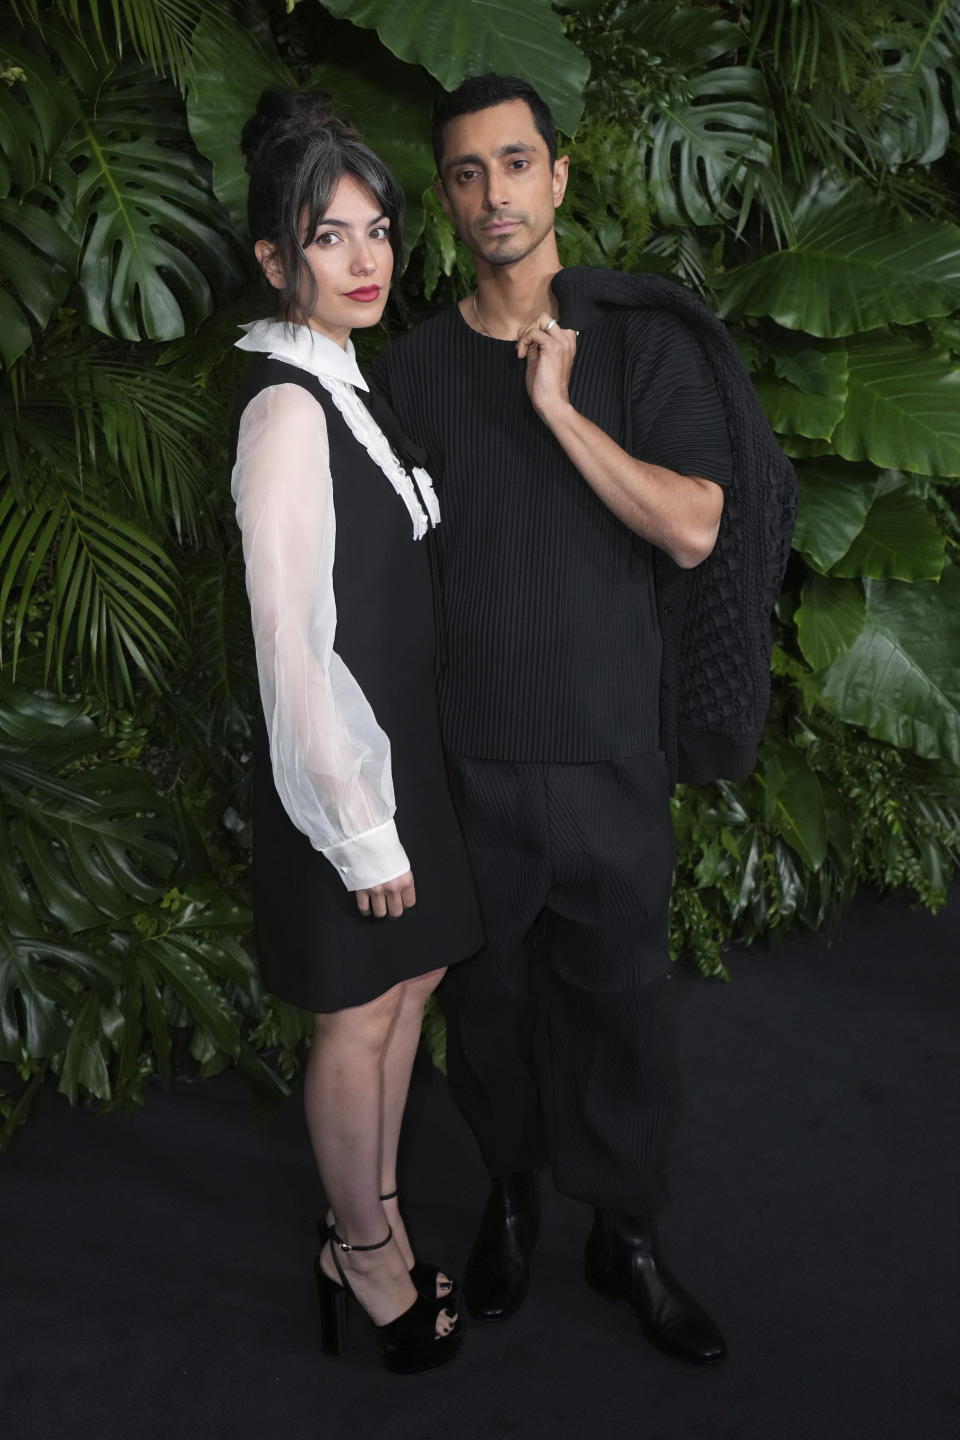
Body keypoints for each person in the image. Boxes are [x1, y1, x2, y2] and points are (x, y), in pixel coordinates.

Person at [373, 73, 796, 1365]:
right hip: (471, 760)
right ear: (447, 200)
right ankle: (510, 1199)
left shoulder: (634, 341)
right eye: (466, 172)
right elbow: (390, 575)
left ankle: (630, 1233)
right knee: (491, 1010)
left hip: (614, 748)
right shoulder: (414, 373)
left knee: (622, 1007)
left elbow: (693, 523)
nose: (493, 192)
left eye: (516, 163)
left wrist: (557, 407)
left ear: (558, 177)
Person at [229, 88, 483, 1374]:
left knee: (412, 988)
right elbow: (294, 653)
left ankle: (365, 1214)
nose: (367, 257)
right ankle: (367, 1253)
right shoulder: (285, 410)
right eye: (331, 237)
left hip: (405, 759)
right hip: (344, 777)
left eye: (377, 229)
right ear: (277, 258)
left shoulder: (351, 383)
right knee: (359, 1017)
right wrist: (359, 825)